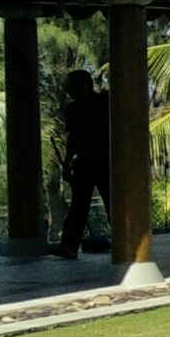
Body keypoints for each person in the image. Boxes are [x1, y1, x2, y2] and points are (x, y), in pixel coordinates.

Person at [52, 69, 111, 259]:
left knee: (113, 203)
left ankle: (125, 240)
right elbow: (73, 138)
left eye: (72, 87)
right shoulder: (73, 109)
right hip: (84, 162)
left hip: (105, 161)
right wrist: (67, 163)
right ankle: (69, 246)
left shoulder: (104, 104)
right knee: (79, 206)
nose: (69, 91)